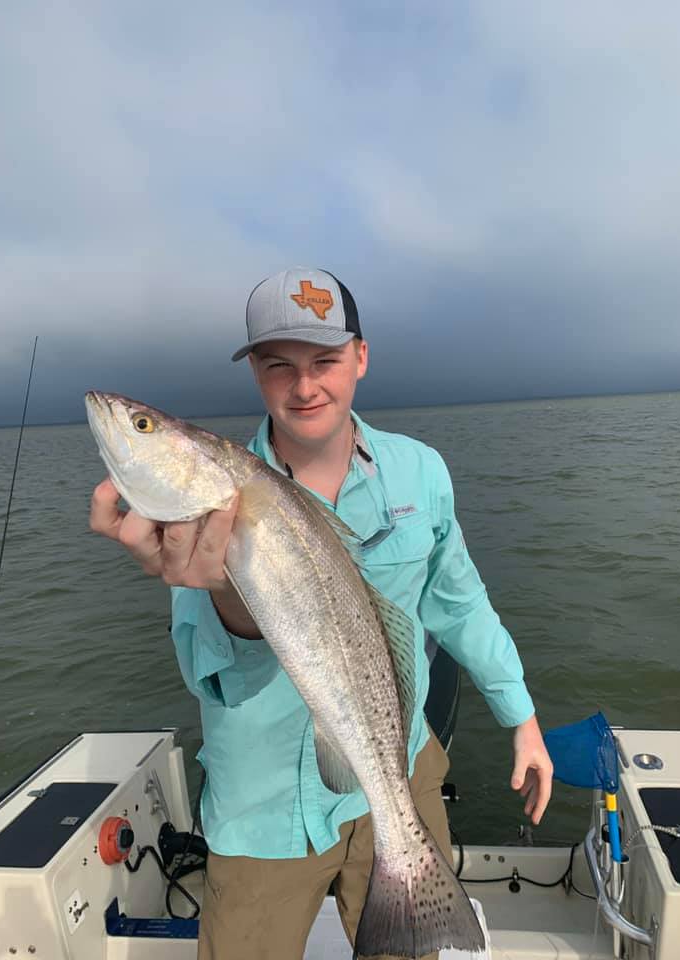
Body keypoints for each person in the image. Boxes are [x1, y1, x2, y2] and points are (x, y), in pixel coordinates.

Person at [90, 266, 553, 960]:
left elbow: (459, 604)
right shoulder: (203, 510)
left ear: (361, 358)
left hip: (398, 770)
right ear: (256, 375)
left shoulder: (419, 472)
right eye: (280, 366)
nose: (305, 387)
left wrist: (522, 717)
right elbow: (205, 672)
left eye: (325, 361)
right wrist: (221, 588)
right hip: (262, 809)